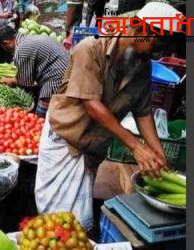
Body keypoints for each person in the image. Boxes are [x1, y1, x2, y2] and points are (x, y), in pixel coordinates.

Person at [35, 2, 182, 233]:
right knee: (58, 218)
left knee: (78, 220)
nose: (159, 51)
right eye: (158, 43)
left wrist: (156, 151)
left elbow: (143, 112)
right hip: (66, 142)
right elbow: (92, 105)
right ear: (139, 30)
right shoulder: (90, 50)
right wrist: (136, 147)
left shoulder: (141, 66)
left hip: (92, 146)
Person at [0, 25, 68, 117]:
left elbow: (25, 82)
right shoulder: (27, 38)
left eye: (4, 47)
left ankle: (44, 124)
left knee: (40, 115)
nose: (5, 50)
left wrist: (10, 80)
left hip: (57, 76)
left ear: (6, 43)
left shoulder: (21, 50)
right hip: (66, 69)